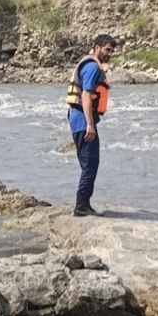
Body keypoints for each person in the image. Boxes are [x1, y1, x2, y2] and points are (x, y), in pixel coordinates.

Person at [65, 34, 117, 216]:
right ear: (96, 47)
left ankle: (83, 203)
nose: (109, 53)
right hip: (82, 119)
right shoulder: (93, 67)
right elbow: (86, 95)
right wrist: (90, 124)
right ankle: (81, 206)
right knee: (91, 164)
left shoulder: (88, 64)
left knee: (87, 163)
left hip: (76, 117)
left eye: (112, 51)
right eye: (107, 49)